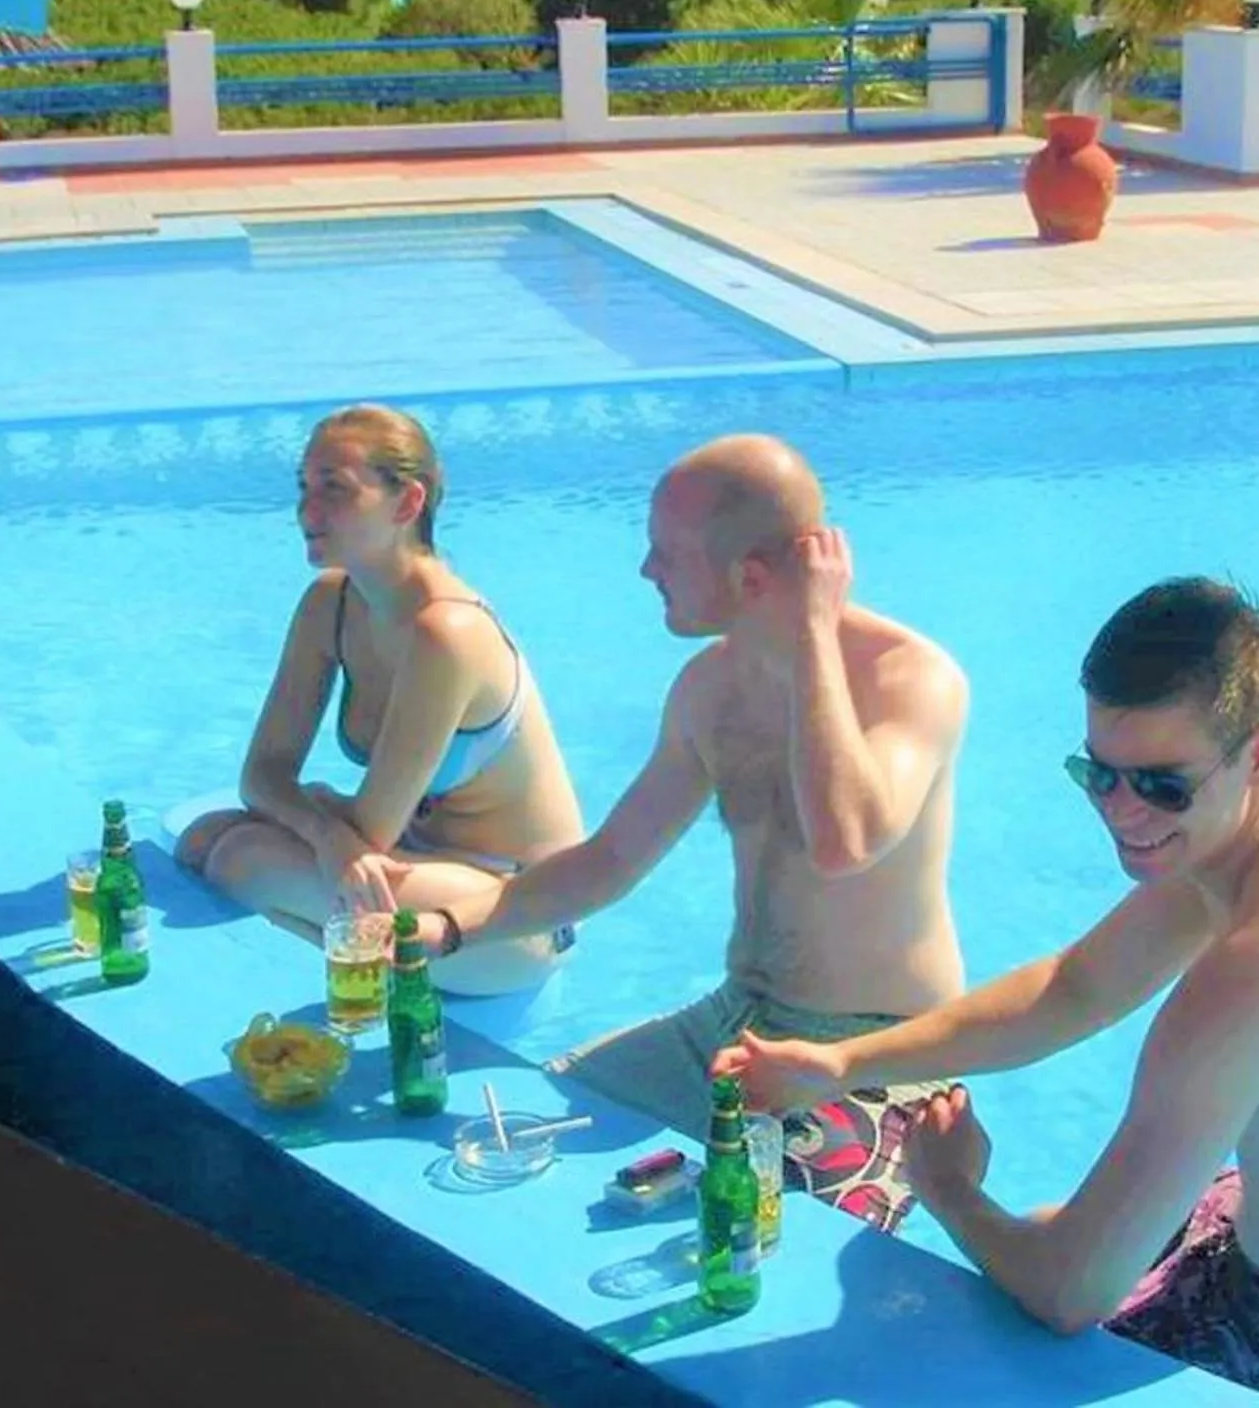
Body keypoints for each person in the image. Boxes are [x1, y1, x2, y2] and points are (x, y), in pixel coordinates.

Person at [720, 577, 1259, 1403]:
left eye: (1162, 785)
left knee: (1005, 1318)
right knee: (1064, 1224)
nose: (1124, 811)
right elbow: (1074, 987)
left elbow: (1065, 1295)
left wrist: (948, 1189)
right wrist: (841, 1063)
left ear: (1258, 754)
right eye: (1100, 774)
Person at [375, 434, 970, 1230]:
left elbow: (845, 840)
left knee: (756, 1232)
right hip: (731, 1024)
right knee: (537, 1128)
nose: (646, 571)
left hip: (876, 1057)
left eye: (665, 553)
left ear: (751, 576)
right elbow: (611, 859)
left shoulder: (912, 680)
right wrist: (449, 928)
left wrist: (812, 635)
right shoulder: (710, 687)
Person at [175, 404, 584, 998]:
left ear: (407, 504)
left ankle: (364, 964)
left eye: (334, 489)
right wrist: (325, 827)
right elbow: (261, 773)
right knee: (207, 835)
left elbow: (367, 831)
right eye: (304, 487)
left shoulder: (449, 634)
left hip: (510, 914)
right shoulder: (331, 603)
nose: (306, 511)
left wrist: (322, 825)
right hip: (418, 862)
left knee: (239, 856)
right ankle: (365, 957)